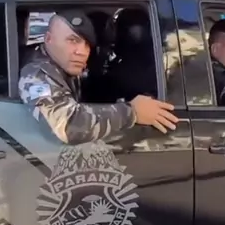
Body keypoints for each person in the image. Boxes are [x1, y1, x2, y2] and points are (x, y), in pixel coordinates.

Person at [18, 9, 179, 144]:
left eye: (87, 45)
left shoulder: (61, 64)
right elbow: (66, 125)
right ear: (48, 39)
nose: (82, 52)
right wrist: (132, 112)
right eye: (72, 40)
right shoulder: (37, 73)